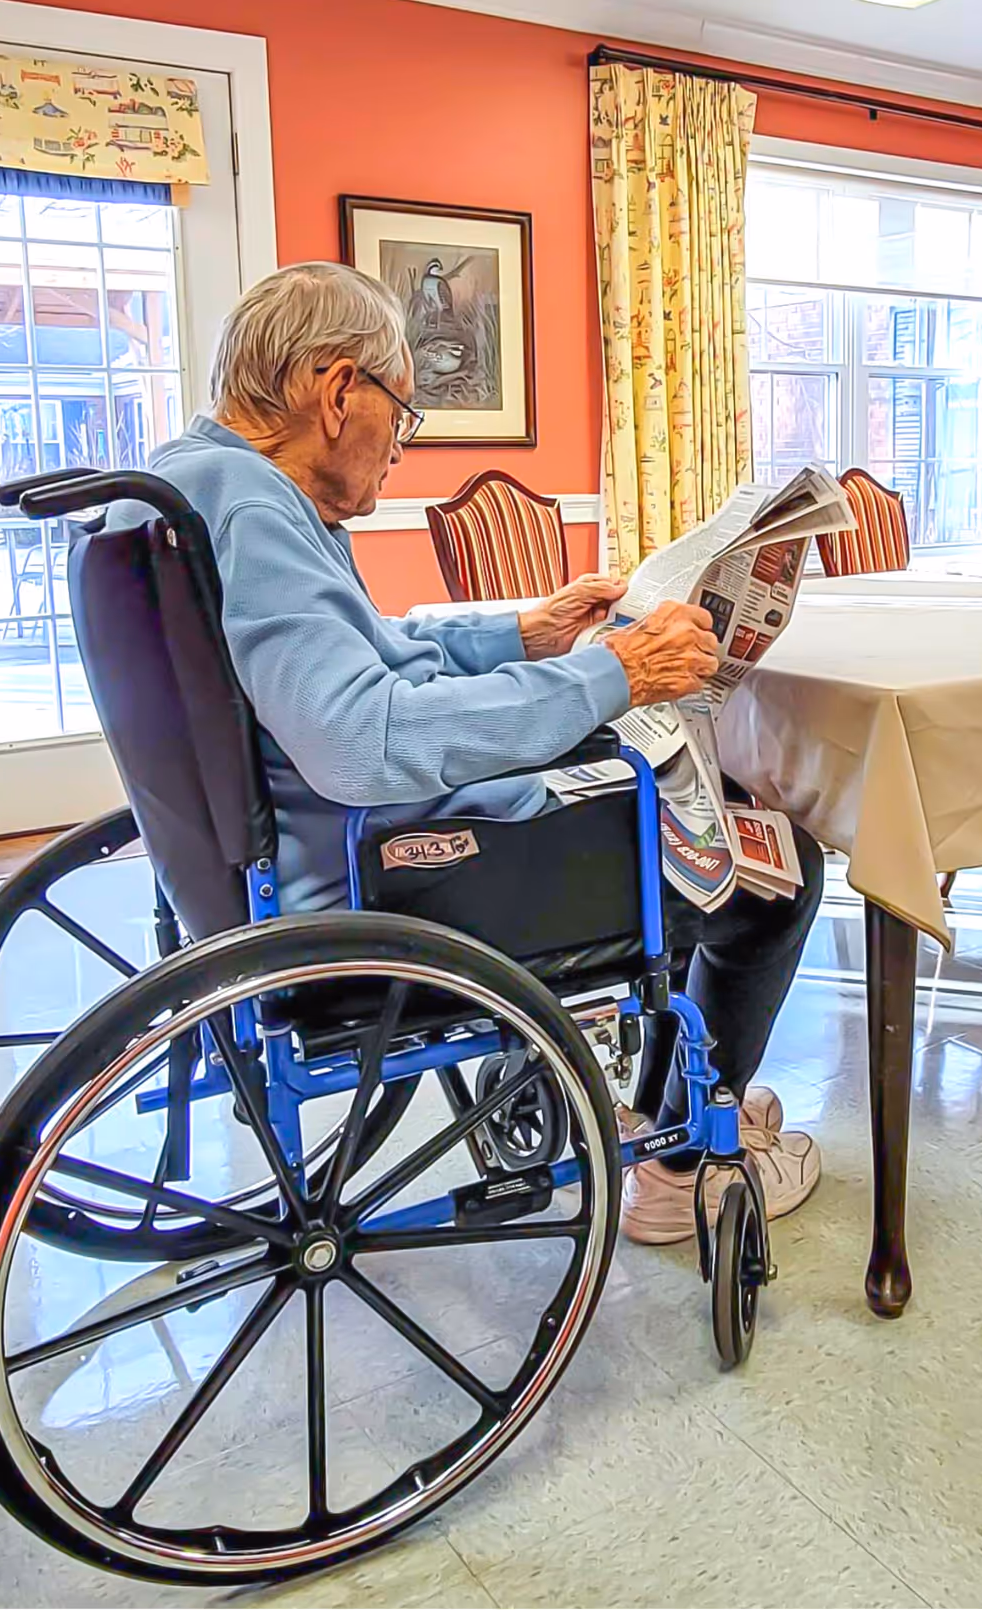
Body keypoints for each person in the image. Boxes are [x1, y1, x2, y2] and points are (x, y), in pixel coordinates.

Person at [139, 261, 822, 1242]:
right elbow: (365, 740)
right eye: (402, 417)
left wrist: (527, 636)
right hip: (374, 885)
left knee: (647, 788)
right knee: (778, 865)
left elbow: (373, 652)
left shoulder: (199, 483)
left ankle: (586, 1069)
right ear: (339, 392)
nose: (399, 452)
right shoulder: (255, 509)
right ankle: (679, 1163)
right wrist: (616, 672)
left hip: (277, 868)